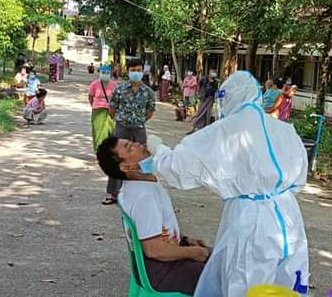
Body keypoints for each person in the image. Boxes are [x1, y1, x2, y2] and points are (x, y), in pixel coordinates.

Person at [133, 71, 310, 296]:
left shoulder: (226, 130)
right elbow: (300, 178)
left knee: (245, 282)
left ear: (228, 98)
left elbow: (179, 166)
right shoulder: (285, 130)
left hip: (251, 220)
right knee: (288, 282)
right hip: (289, 216)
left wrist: (158, 150)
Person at [96, 136, 210, 294]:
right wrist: (195, 253)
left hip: (164, 261)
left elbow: (157, 228)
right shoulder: (144, 197)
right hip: (163, 270)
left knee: (223, 258)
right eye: (130, 147)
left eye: (132, 142)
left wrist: (186, 240)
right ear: (126, 167)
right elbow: (154, 249)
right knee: (225, 276)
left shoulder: (140, 184)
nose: (138, 144)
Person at [105, 58, 156, 205]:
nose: (136, 73)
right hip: (122, 128)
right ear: (127, 71)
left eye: (138, 70)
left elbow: (149, 112)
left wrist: (138, 121)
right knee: (117, 159)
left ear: (143, 71)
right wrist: (122, 120)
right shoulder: (119, 89)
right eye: (133, 70)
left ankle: (141, 194)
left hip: (139, 129)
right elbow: (112, 109)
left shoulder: (148, 92)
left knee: (142, 161)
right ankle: (113, 194)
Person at [89, 66, 117, 151]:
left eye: (107, 73)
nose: (105, 74)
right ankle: (98, 151)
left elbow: (117, 98)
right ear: (100, 73)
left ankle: (109, 151)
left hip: (111, 111)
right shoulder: (94, 84)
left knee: (111, 131)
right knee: (98, 131)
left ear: (110, 74)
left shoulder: (114, 85)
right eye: (103, 73)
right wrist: (94, 105)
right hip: (98, 110)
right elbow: (90, 96)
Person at [190, 69, 218, 133]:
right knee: (200, 112)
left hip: (210, 98)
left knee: (208, 113)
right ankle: (196, 125)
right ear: (209, 73)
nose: (213, 74)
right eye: (212, 72)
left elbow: (216, 90)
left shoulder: (215, 81)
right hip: (203, 98)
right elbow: (199, 85)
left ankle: (206, 126)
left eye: (214, 73)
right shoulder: (204, 78)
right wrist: (199, 93)